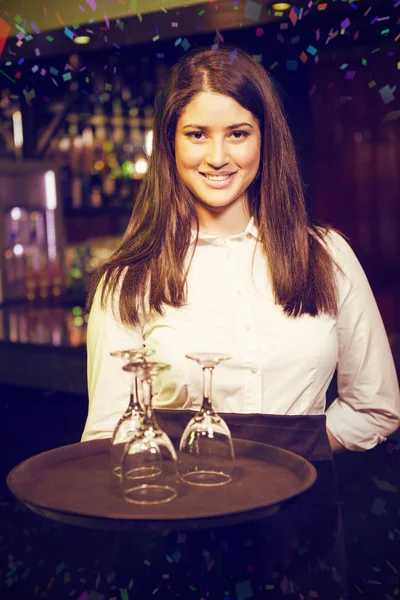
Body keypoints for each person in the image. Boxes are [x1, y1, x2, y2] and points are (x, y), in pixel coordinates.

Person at [81, 43, 400, 453]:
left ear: (264, 139)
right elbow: (108, 435)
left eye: (238, 134)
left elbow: (374, 407)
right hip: (185, 511)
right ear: (170, 144)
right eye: (197, 135)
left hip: (302, 511)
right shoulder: (128, 279)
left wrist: (289, 456)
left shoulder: (328, 255)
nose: (218, 157)